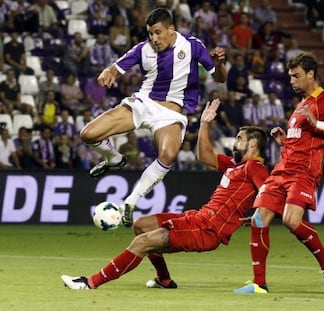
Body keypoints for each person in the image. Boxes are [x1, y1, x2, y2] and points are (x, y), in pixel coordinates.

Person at [60, 99, 269, 290]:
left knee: (142, 243)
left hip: (208, 230)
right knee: (141, 224)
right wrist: (205, 124)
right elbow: (204, 155)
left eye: (239, 139)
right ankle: (164, 279)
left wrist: (261, 214)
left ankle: (90, 283)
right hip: (198, 218)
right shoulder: (235, 165)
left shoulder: (255, 168)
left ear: (252, 144)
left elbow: (268, 192)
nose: (234, 143)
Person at [80, 8, 227, 228]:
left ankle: (130, 203)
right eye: (150, 34)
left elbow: (220, 78)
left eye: (158, 33)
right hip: (142, 104)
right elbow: (118, 66)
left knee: (168, 154)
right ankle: (113, 159)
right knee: (88, 134)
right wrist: (109, 71)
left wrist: (220, 63)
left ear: (171, 29)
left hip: (170, 114)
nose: (154, 39)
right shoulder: (143, 49)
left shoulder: (193, 45)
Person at [233, 52, 324, 295]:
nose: (292, 80)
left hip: (303, 171)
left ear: (311, 74)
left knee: (291, 220)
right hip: (282, 169)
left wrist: (317, 124)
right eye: (290, 76)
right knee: (259, 219)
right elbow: (304, 139)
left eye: (296, 76)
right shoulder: (301, 104)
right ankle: (259, 284)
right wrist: (285, 140)